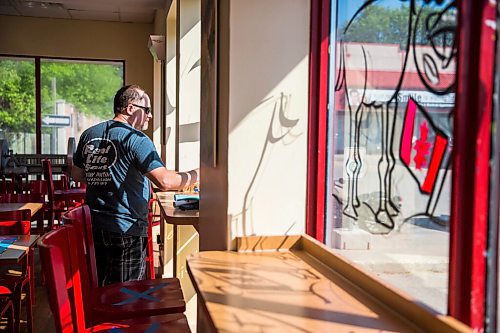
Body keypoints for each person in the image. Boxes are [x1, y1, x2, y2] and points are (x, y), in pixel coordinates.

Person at [72, 84, 199, 286]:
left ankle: (99, 318)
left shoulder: (89, 134)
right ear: (130, 108)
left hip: (93, 224)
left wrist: (105, 173)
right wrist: (200, 173)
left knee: (100, 288)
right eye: (147, 110)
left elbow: (78, 174)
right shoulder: (137, 139)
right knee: (125, 295)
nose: (149, 116)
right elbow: (164, 181)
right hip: (125, 229)